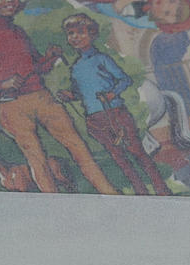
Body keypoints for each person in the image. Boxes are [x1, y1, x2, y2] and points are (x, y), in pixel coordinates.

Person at [0, 0, 119, 195]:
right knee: (36, 159)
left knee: (78, 146)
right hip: (11, 106)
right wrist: (2, 85)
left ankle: (110, 193)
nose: (11, 2)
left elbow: (38, 67)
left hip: (41, 97)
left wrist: (50, 57)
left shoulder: (19, 32)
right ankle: (54, 204)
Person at [57, 13, 172, 196]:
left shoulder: (101, 59)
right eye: (71, 33)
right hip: (95, 120)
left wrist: (111, 94)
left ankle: (162, 189)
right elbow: (81, 93)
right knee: (120, 160)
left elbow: (124, 80)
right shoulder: (76, 67)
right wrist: (69, 95)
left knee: (137, 152)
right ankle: (140, 192)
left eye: (81, 32)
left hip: (115, 113)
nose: (75, 37)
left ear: (92, 34)